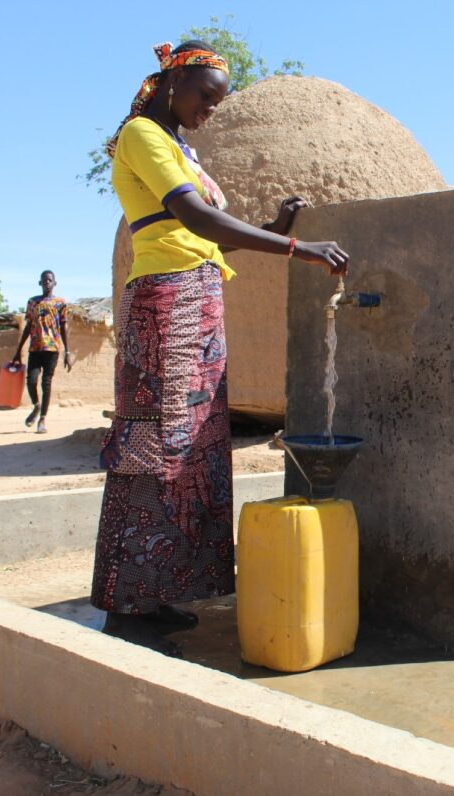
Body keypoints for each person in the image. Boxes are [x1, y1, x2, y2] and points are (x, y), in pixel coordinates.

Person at [92, 40, 349, 655]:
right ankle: (127, 607)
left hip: (200, 301)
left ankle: (160, 595)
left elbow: (210, 242)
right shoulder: (141, 136)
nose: (212, 108)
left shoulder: (183, 148)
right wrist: (297, 250)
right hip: (164, 305)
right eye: (205, 96)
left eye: (218, 99)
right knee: (154, 445)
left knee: (194, 447)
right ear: (170, 84)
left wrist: (272, 229)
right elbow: (192, 220)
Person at [11, 270, 72, 434]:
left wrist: (68, 352)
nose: (47, 282)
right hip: (35, 348)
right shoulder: (33, 302)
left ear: (54, 283)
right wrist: (18, 351)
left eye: (50, 280)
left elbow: (64, 327)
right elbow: (28, 327)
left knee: (46, 383)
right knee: (31, 381)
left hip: (52, 349)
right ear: (39, 283)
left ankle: (43, 419)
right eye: (44, 280)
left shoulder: (60, 303)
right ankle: (36, 406)